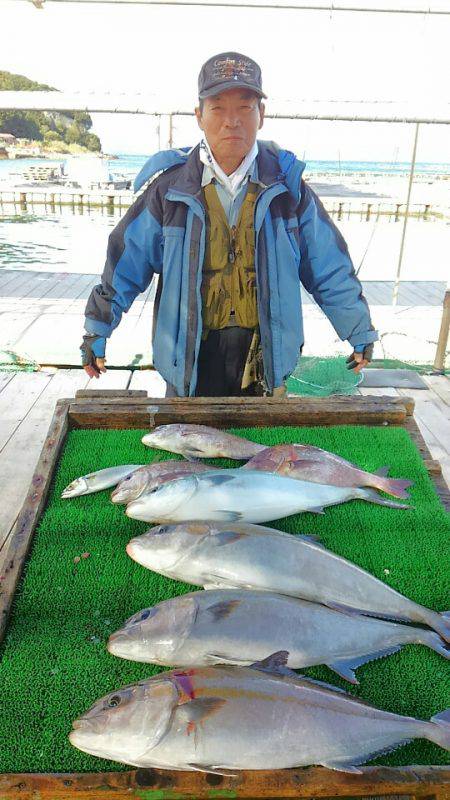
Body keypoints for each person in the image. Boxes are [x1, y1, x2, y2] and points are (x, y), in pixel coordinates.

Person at [81, 52, 376, 397]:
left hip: (265, 361)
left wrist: (359, 329)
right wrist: (97, 328)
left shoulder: (289, 191)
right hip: (188, 361)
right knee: (187, 446)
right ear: (199, 116)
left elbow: (329, 269)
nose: (231, 121)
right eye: (218, 107)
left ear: (261, 115)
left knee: (262, 449)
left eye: (245, 108)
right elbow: (125, 264)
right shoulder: (169, 191)